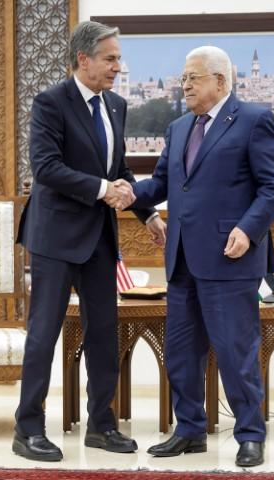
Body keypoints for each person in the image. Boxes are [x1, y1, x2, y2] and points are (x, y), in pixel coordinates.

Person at [13, 20, 166, 462]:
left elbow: (119, 170)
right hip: (55, 238)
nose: (118, 66)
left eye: (119, 58)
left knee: (103, 333)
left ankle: (102, 425)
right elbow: (46, 168)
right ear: (84, 59)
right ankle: (28, 429)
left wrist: (147, 213)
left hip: (99, 238)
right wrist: (103, 190)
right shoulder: (50, 103)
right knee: (44, 334)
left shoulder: (116, 105)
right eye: (110, 58)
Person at [129, 46, 274, 467]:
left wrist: (248, 229)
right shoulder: (179, 127)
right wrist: (127, 194)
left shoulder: (254, 120)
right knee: (181, 354)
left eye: (193, 77)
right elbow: (162, 184)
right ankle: (189, 431)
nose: (184, 85)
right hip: (182, 259)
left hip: (229, 258)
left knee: (236, 354)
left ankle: (250, 435)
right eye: (183, 78)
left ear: (220, 80)